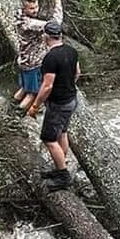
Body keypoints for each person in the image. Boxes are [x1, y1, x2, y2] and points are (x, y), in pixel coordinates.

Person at [26, 20, 80, 188]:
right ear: (60, 35)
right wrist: (67, 86)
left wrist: (35, 105)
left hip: (59, 104)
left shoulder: (50, 57)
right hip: (71, 100)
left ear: (45, 37)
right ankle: (60, 166)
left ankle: (63, 177)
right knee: (62, 133)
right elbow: (78, 73)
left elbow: (47, 85)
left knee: (49, 139)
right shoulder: (71, 51)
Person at [14, 0, 61, 109]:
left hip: (24, 60)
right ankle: (16, 115)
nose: (35, 10)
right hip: (34, 63)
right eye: (31, 8)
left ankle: (12, 107)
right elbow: (54, 25)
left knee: (24, 89)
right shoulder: (28, 24)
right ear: (24, 9)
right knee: (32, 94)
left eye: (36, 7)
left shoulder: (19, 17)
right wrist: (58, 4)